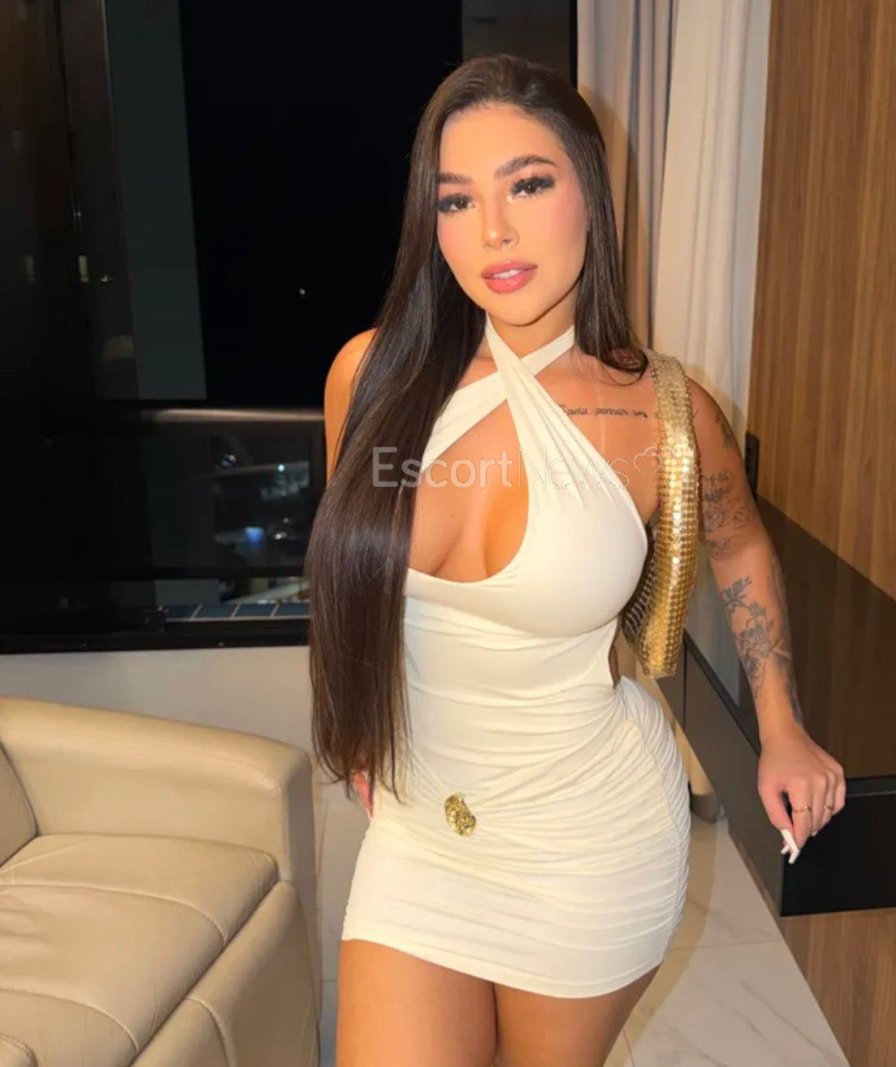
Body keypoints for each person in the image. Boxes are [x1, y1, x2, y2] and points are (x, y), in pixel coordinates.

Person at [306, 52, 846, 1067]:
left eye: (527, 185)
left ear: (590, 197)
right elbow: (349, 580)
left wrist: (781, 727)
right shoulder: (370, 379)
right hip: (422, 832)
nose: (493, 231)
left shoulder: (663, 413)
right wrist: (361, 724)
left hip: (589, 844)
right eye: (457, 199)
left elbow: (739, 546)